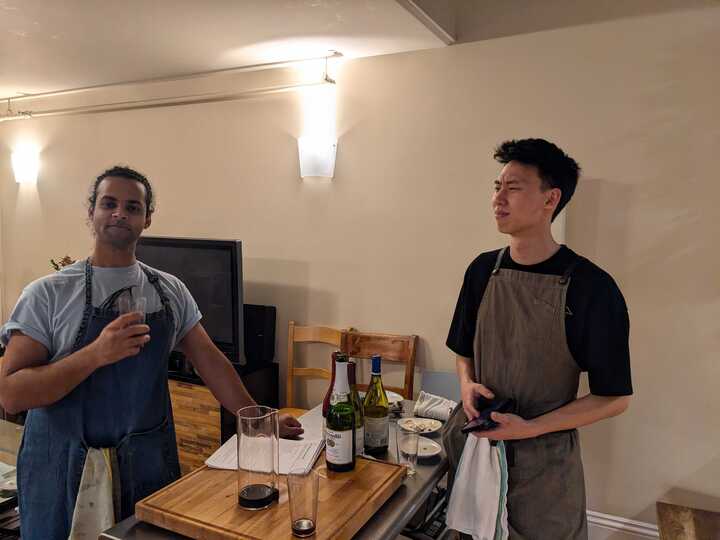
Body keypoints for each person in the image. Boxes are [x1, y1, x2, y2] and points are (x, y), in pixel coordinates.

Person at [0, 166, 303, 539]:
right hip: (60, 473)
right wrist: (96, 353)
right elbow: (11, 394)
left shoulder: (169, 291)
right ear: (91, 212)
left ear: (146, 219)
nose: (119, 214)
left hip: (145, 466)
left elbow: (210, 362)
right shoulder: (47, 294)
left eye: (132, 207)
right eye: (109, 204)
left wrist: (259, 422)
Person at [443, 139, 633, 539]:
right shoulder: (481, 271)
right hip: (477, 449)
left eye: (513, 188)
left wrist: (529, 428)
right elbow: (463, 351)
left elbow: (614, 398)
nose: (498, 198)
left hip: (543, 469)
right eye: (497, 187)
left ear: (551, 199)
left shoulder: (592, 287)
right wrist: (466, 384)